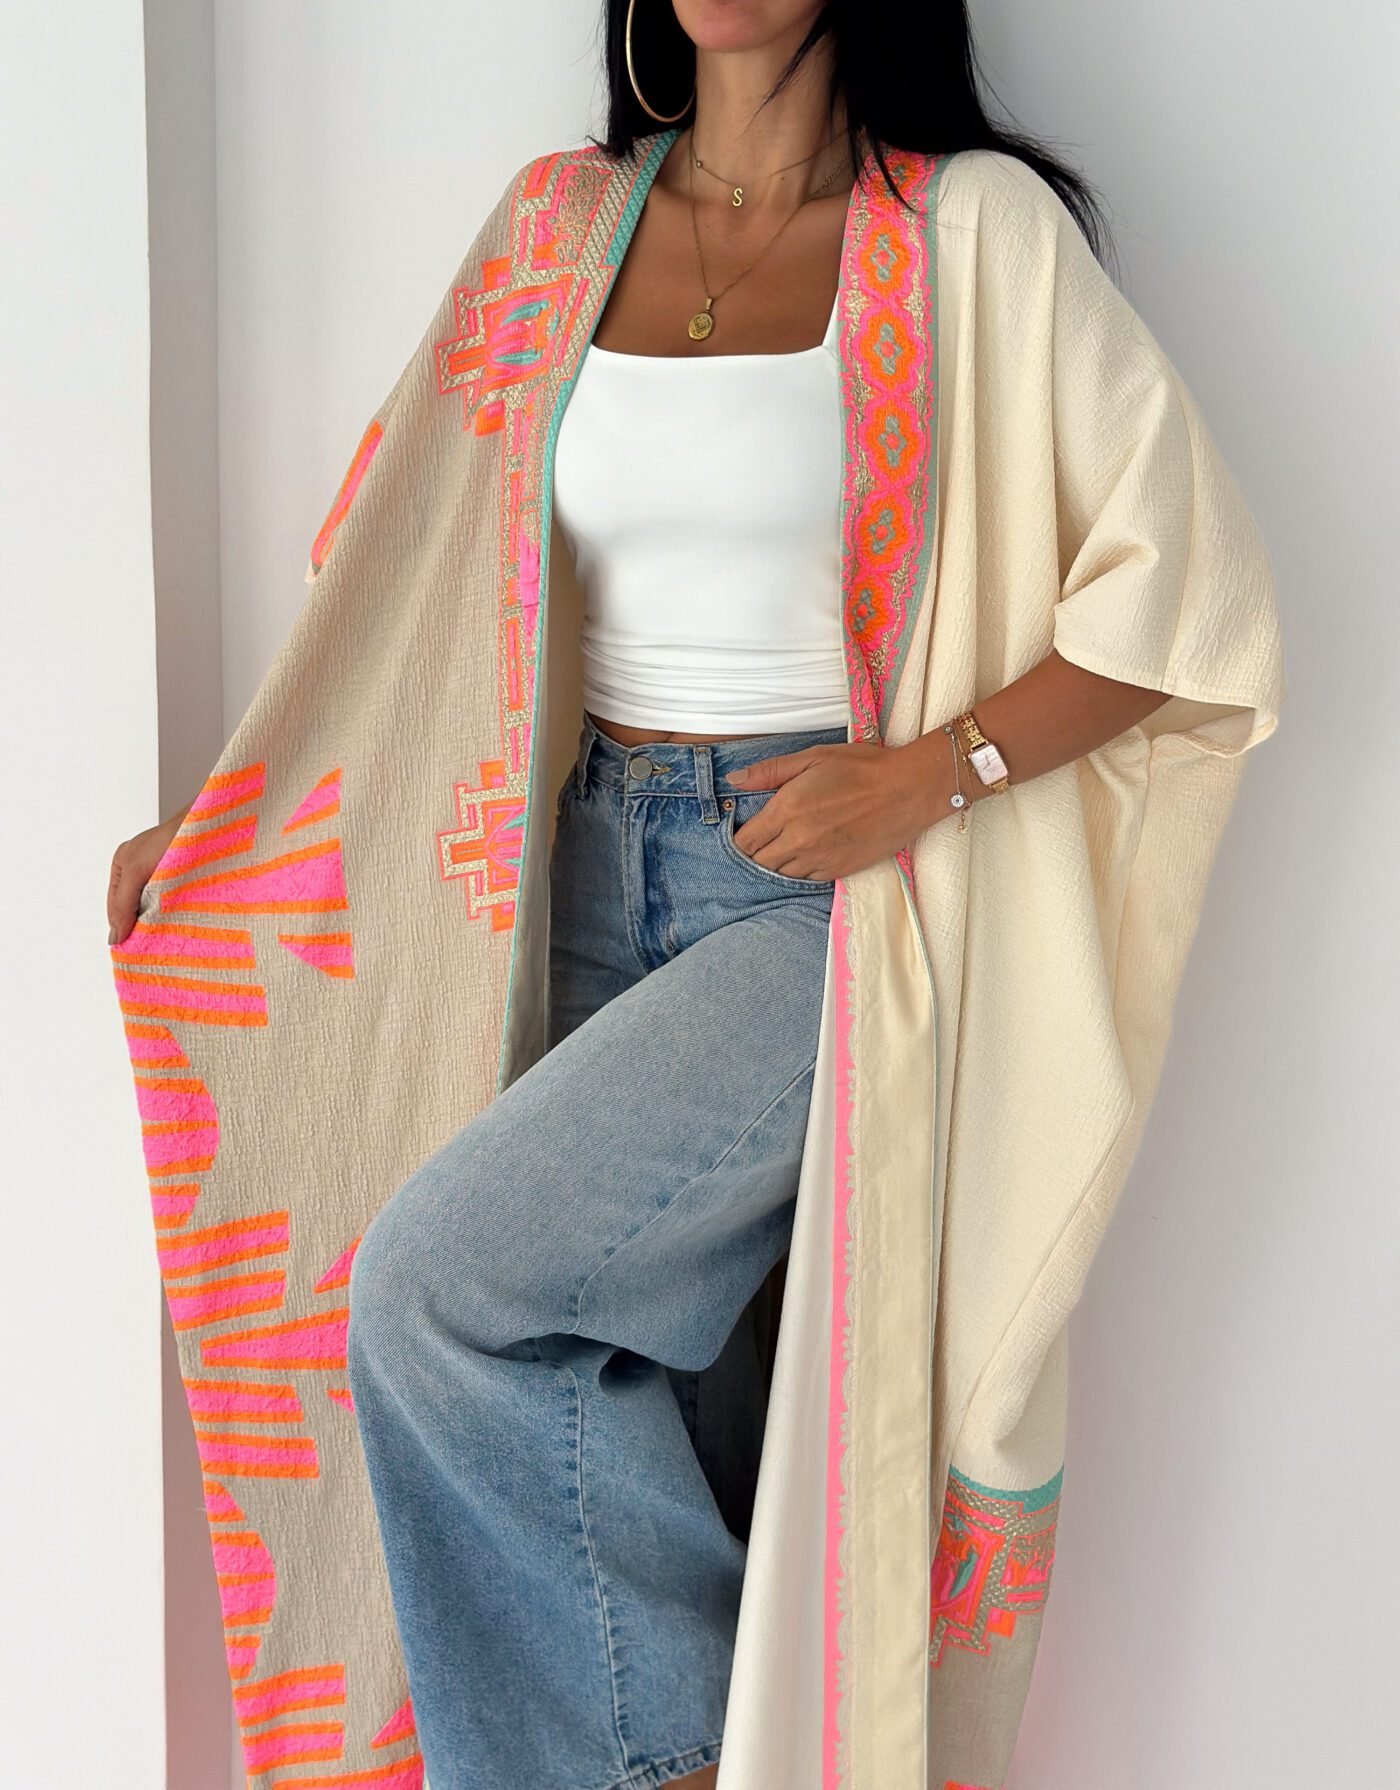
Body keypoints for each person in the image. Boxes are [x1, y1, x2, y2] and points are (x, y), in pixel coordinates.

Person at [106, 5, 1285, 1788]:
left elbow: (1188, 600)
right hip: (571, 871)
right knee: (642, 1413)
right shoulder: (557, 228)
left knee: (442, 1288)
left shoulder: (969, 235)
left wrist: (932, 768)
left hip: (819, 899)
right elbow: (402, 563)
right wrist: (234, 822)